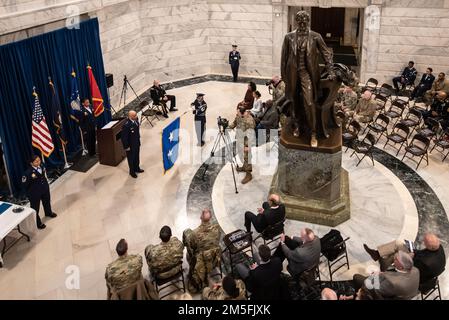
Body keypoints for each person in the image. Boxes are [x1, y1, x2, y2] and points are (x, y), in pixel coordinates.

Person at [281, 10, 335, 147]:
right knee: (293, 101)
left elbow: (327, 54)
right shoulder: (289, 37)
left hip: (307, 74)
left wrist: (330, 70)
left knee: (309, 102)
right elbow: (284, 58)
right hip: (292, 74)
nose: (303, 24)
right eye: (300, 22)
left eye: (305, 21)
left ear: (308, 22)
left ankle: (313, 132)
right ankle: (297, 125)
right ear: (296, 22)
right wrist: (284, 76)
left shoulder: (316, 37)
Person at [363, 233, 446, 285]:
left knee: (396, 256)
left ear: (430, 247)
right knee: (398, 243)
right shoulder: (438, 247)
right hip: (418, 261)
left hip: (415, 277)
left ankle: (384, 269)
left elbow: (410, 269)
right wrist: (414, 252)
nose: (423, 242)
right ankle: (377, 254)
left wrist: (406, 257)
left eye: (425, 243)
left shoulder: (425, 263)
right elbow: (423, 253)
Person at [353, 251, 419, 300]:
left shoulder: (392, 283)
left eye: (396, 260)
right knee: (383, 261)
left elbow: (375, 290)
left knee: (356, 277)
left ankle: (358, 296)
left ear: (401, 267)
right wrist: (382, 273)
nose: (394, 259)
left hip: (384, 293)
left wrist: (373, 276)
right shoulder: (415, 270)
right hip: (406, 293)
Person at [183, 209, 221, 293]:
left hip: (201, 262)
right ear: (211, 217)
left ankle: (197, 273)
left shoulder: (194, 233)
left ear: (200, 217)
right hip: (214, 259)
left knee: (188, 255)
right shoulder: (217, 228)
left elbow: (192, 248)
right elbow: (217, 241)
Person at [21, 155, 57, 229]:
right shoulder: (27, 173)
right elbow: (25, 185)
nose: (39, 162)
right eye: (36, 161)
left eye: (39, 160)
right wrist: (29, 194)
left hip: (44, 189)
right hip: (34, 193)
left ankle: (48, 212)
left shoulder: (42, 166)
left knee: (47, 201)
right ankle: (38, 223)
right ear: (31, 163)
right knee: (35, 208)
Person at [228, 108, 256, 184]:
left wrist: (247, 145)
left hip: (246, 142)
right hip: (240, 139)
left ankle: (248, 174)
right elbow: (235, 123)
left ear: (242, 113)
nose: (237, 114)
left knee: (247, 157)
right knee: (242, 156)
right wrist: (228, 128)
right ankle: (244, 167)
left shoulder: (249, 120)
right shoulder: (239, 116)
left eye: (238, 112)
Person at [121, 110, 143, 178]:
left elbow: (137, 132)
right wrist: (126, 146)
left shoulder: (136, 120)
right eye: (134, 116)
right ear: (130, 116)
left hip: (136, 143)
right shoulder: (126, 125)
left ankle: (137, 168)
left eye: (136, 115)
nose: (136, 116)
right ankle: (132, 171)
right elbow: (124, 137)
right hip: (130, 146)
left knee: (136, 157)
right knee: (131, 159)